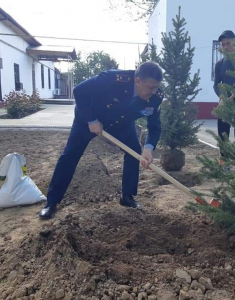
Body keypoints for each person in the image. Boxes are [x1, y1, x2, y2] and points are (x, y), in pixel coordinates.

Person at [39, 62, 164, 219]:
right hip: (89, 121)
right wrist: (92, 120)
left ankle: (127, 196)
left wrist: (148, 148)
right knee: (69, 156)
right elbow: (79, 91)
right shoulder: (113, 79)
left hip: (122, 125)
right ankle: (51, 202)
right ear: (137, 81)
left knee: (134, 152)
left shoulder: (155, 97)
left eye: (156, 87)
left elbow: (154, 126)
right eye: (150, 87)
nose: (153, 92)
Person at [213, 30, 235, 159]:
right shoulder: (219, 64)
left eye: (228, 43)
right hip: (225, 103)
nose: (225, 47)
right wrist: (223, 97)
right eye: (223, 45)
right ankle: (224, 161)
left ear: (234, 42)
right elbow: (217, 84)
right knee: (223, 132)